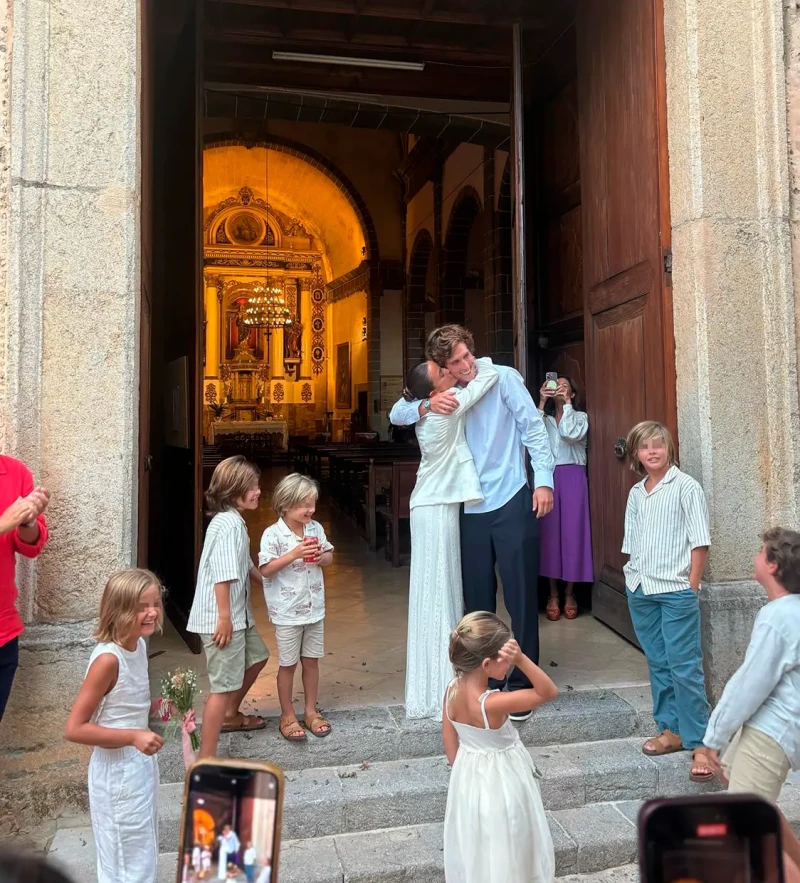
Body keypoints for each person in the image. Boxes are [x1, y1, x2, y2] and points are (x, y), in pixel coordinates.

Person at [390, 325, 555, 721]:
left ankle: (521, 684)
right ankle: (489, 679)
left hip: (512, 495)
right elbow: (398, 411)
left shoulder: (501, 377)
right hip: (469, 507)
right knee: (477, 599)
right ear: (441, 368)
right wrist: (427, 406)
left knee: (519, 595)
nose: (464, 366)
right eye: (454, 363)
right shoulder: (445, 393)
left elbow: (533, 429)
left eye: (466, 357)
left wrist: (544, 481)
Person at [402, 356, 498, 719]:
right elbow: (485, 379)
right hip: (436, 506)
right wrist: (476, 362)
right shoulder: (448, 405)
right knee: (438, 588)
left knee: (435, 589)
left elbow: (405, 406)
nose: (449, 370)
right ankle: (442, 685)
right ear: (435, 389)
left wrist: (421, 403)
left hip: (431, 503)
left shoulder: (426, 407)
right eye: (443, 372)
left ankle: (438, 679)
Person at [703, 526, 800, 871]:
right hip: (768, 728)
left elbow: (749, 685)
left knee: (746, 830)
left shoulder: (778, 618)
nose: (755, 557)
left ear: (773, 565)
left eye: (761, 552)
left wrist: (713, 737)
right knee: (744, 792)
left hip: (770, 733)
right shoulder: (790, 612)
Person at [622, 420, 713, 783]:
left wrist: (690, 586)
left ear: (669, 449)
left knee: (684, 666)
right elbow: (632, 541)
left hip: (675, 591)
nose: (653, 452)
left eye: (659, 444)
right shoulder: (636, 493)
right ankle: (670, 730)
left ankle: (701, 743)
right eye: (645, 447)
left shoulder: (686, 487)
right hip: (641, 588)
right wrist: (632, 580)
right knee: (658, 663)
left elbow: (700, 541)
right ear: (637, 454)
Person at [64, 568, 164, 883]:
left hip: (140, 767)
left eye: (156, 604)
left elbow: (121, 705)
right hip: (116, 772)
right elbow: (75, 728)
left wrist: (154, 708)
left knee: (142, 851)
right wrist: (134, 735)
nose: (152, 613)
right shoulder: (108, 660)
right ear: (119, 610)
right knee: (123, 861)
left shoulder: (139, 645)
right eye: (141, 606)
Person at [442, 611, 557, 883]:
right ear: (486, 664)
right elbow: (547, 692)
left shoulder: (451, 690)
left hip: (469, 777)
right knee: (511, 840)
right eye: (505, 659)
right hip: (503, 780)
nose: (508, 664)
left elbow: (449, 740)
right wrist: (522, 659)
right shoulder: (491, 703)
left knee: (480, 843)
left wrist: (464, 774)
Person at [187, 456, 270, 759]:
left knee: (259, 656)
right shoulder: (228, 526)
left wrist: (265, 581)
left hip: (238, 615)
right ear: (234, 490)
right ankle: (205, 758)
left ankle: (231, 714)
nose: (259, 491)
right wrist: (223, 618)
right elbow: (222, 574)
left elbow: (244, 562)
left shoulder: (235, 522)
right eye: (252, 487)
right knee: (221, 687)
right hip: (223, 618)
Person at [259, 473, 334, 742]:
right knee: (288, 664)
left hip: (314, 608)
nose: (310, 510)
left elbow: (328, 556)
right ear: (285, 505)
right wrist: (293, 554)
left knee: (311, 661)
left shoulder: (316, 529)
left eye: (312, 503)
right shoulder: (273, 535)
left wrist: (321, 557)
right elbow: (266, 569)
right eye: (304, 504)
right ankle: (287, 714)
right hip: (287, 611)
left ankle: (311, 710)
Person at [537, 375, 593, 620]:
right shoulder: (545, 419)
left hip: (573, 477)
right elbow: (529, 436)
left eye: (564, 385)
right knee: (549, 537)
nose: (558, 389)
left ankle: (570, 593)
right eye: (555, 384)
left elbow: (570, 434)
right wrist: (540, 403)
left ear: (572, 392)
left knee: (572, 535)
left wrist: (567, 403)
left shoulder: (580, 417)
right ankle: (552, 594)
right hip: (548, 479)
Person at [0, 454, 49, 722]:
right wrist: (4, 522)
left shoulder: (15, 472)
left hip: (3, 631)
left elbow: (30, 545)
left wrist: (28, 521)